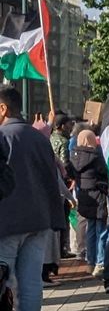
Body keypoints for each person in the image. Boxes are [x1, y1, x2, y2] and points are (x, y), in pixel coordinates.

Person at [0, 87, 66, 311]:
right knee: (31, 283)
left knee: (4, 282)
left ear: (3, 108)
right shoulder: (39, 139)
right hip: (38, 221)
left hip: (7, 223)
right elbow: (51, 179)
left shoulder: (3, 137)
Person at [69, 129, 109, 278]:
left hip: (84, 195)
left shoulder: (74, 155)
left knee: (90, 229)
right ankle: (100, 263)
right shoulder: (96, 156)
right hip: (97, 194)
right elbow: (104, 173)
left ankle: (90, 262)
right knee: (101, 229)